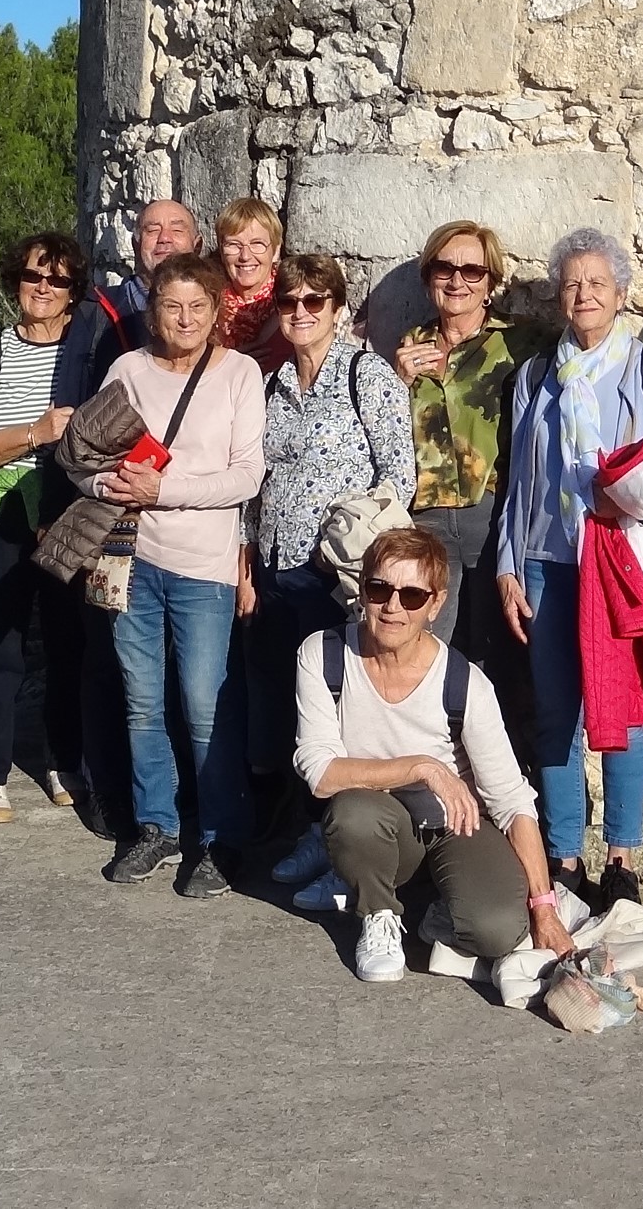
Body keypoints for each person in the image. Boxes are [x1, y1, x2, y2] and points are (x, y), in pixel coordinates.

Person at [495, 228, 643, 907]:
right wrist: (507, 567)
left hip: (614, 568)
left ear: (621, 294)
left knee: (622, 710)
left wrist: (631, 496)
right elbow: (518, 484)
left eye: (597, 283)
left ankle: (620, 857)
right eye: (572, 283)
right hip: (547, 563)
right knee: (555, 714)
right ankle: (563, 856)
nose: (583, 294)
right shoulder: (536, 377)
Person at [295, 527, 576, 982]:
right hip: (378, 822)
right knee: (354, 815)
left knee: (498, 931)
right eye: (380, 589)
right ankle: (378, 913)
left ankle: (432, 908)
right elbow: (321, 773)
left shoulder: (464, 683)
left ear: (435, 604)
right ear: (362, 590)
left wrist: (545, 909)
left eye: (412, 596)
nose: (392, 607)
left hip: (453, 826)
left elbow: (510, 798)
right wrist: (423, 767)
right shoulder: (323, 655)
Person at [85, 253, 266, 897]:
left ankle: (220, 838)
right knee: (141, 701)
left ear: (216, 312)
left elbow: (246, 476)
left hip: (203, 567)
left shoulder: (240, 374)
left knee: (204, 705)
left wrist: (164, 489)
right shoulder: (127, 371)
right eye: (171, 305)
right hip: (130, 559)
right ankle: (156, 826)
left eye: (197, 306)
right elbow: (86, 458)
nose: (185, 319)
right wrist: (109, 484)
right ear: (152, 311)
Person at [249, 254, 416, 896]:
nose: (300, 312)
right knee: (296, 709)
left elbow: (398, 477)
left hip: (335, 578)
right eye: (289, 301)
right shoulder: (272, 386)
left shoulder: (365, 375)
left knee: (344, 711)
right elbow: (258, 480)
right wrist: (246, 556)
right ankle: (308, 830)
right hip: (276, 571)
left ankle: (342, 847)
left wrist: (342, 548)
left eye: (314, 301)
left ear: (338, 309)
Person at [66, 199, 201, 842]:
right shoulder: (101, 315)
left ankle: (182, 796)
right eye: (152, 229)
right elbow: (79, 419)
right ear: (135, 241)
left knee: (187, 672)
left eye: (177, 229)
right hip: (115, 513)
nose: (164, 239)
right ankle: (112, 790)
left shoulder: (212, 320)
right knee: (110, 655)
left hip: (187, 522)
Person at [0, 232, 90, 824]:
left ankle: (65, 760)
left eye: (57, 280)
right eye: (34, 275)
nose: (44, 288)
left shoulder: (87, 352)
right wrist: (35, 433)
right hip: (3, 509)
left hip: (68, 506)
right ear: (16, 281)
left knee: (69, 640)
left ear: (73, 290)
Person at [393, 220, 555, 653]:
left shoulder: (522, 342)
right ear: (428, 277)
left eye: (472, 271)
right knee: (426, 645)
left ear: (490, 283)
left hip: (491, 513)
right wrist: (396, 383)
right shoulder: (411, 343)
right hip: (426, 517)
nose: (457, 281)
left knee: (491, 648)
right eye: (444, 268)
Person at [213, 196, 289, 375]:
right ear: (222, 251)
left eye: (257, 244)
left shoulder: (293, 301)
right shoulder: (206, 302)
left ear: (276, 250)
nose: (245, 256)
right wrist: (227, 363)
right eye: (234, 245)